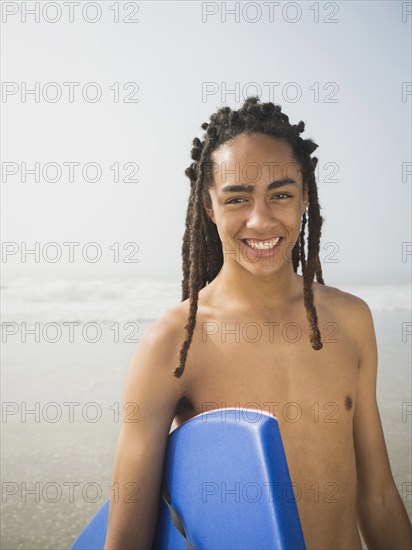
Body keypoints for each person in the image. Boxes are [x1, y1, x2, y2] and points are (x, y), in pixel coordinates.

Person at [104, 96, 412, 549]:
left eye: (281, 194)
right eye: (237, 199)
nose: (261, 219)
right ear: (209, 207)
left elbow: (379, 498)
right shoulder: (173, 343)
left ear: (305, 197)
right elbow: (127, 537)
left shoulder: (350, 321)